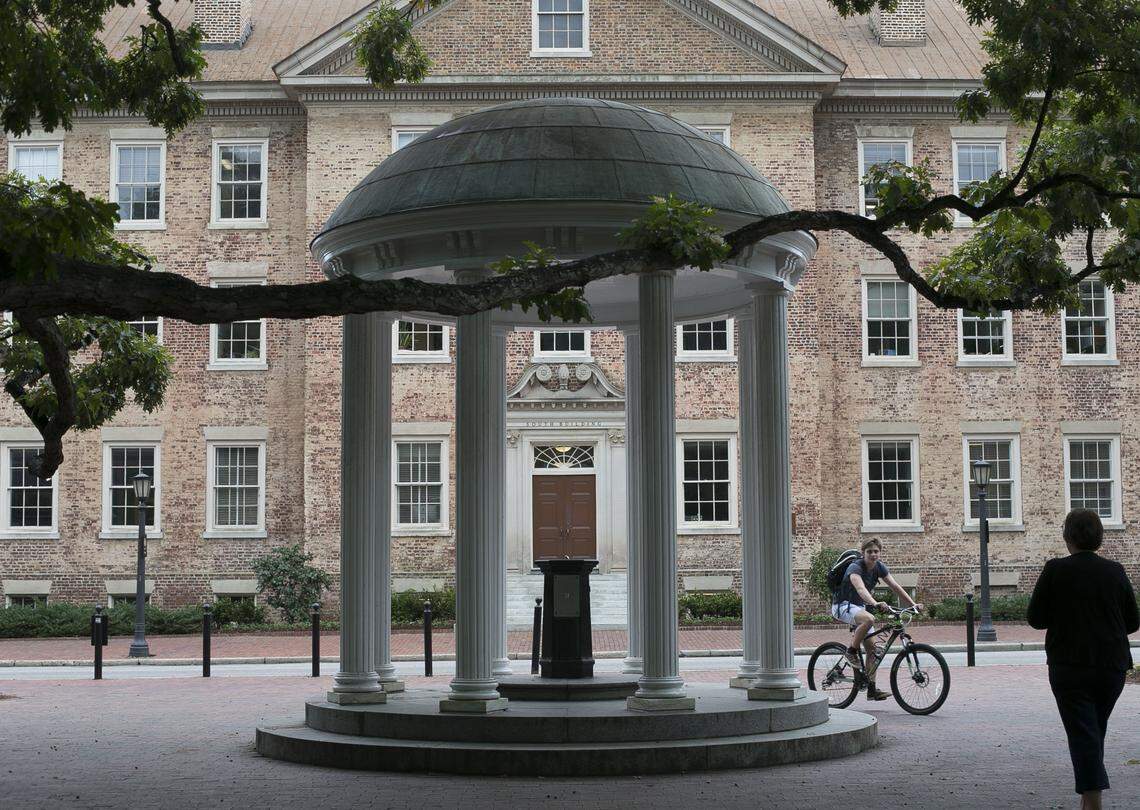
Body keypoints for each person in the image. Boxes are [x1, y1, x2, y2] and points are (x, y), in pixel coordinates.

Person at [1027, 508, 1139, 810]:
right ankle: (1088, 801)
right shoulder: (1115, 571)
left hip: (1069, 666)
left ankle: (1094, 800)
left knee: (1083, 732)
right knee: (1092, 728)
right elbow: (1132, 622)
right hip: (1111, 666)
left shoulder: (1055, 570)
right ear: (1099, 537)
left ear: (1067, 537)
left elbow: (1035, 618)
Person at [831, 537, 922, 700]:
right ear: (863, 553)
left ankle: (871, 689)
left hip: (859, 608)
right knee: (869, 619)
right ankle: (850, 652)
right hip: (843, 605)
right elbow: (860, 588)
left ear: (880, 553)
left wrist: (913, 605)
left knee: (872, 650)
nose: (873, 555)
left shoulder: (879, 567)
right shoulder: (855, 567)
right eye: (869, 552)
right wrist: (875, 602)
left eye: (876, 551)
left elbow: (895, 587)